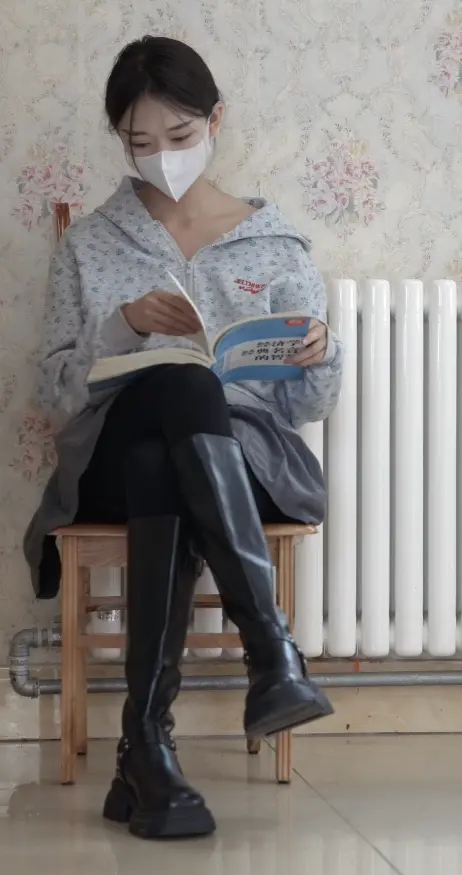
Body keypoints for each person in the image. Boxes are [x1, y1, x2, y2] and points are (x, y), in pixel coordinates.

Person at [24, 36, 343, 840]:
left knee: (167, 444)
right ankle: (270, 653)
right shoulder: (92, 242)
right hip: (106, 460)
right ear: (120, 139)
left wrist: (322, 353)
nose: (162, 156)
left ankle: (146, 746)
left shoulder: (275, 243)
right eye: (140, 142)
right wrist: (123, 326)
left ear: (215, 122)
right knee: (175, 382)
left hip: (243, 461)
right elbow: (54, 393)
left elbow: (310, 403)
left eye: (179, 135)